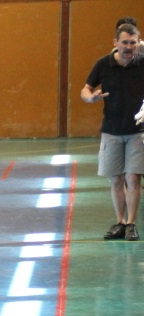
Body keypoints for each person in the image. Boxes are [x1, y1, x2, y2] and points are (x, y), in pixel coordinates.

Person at [82, 22, 144, 241]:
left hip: (137, 132)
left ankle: (131, 223)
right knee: (116, 179)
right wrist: (90, 98)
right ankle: (120, 222)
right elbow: (86, 89)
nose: (128, 47)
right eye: (124, 42)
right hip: (111, 131)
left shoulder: (142, 63)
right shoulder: (103, 64)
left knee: (133, 177)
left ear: (138, 43)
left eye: (133, 43)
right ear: (115, 43)